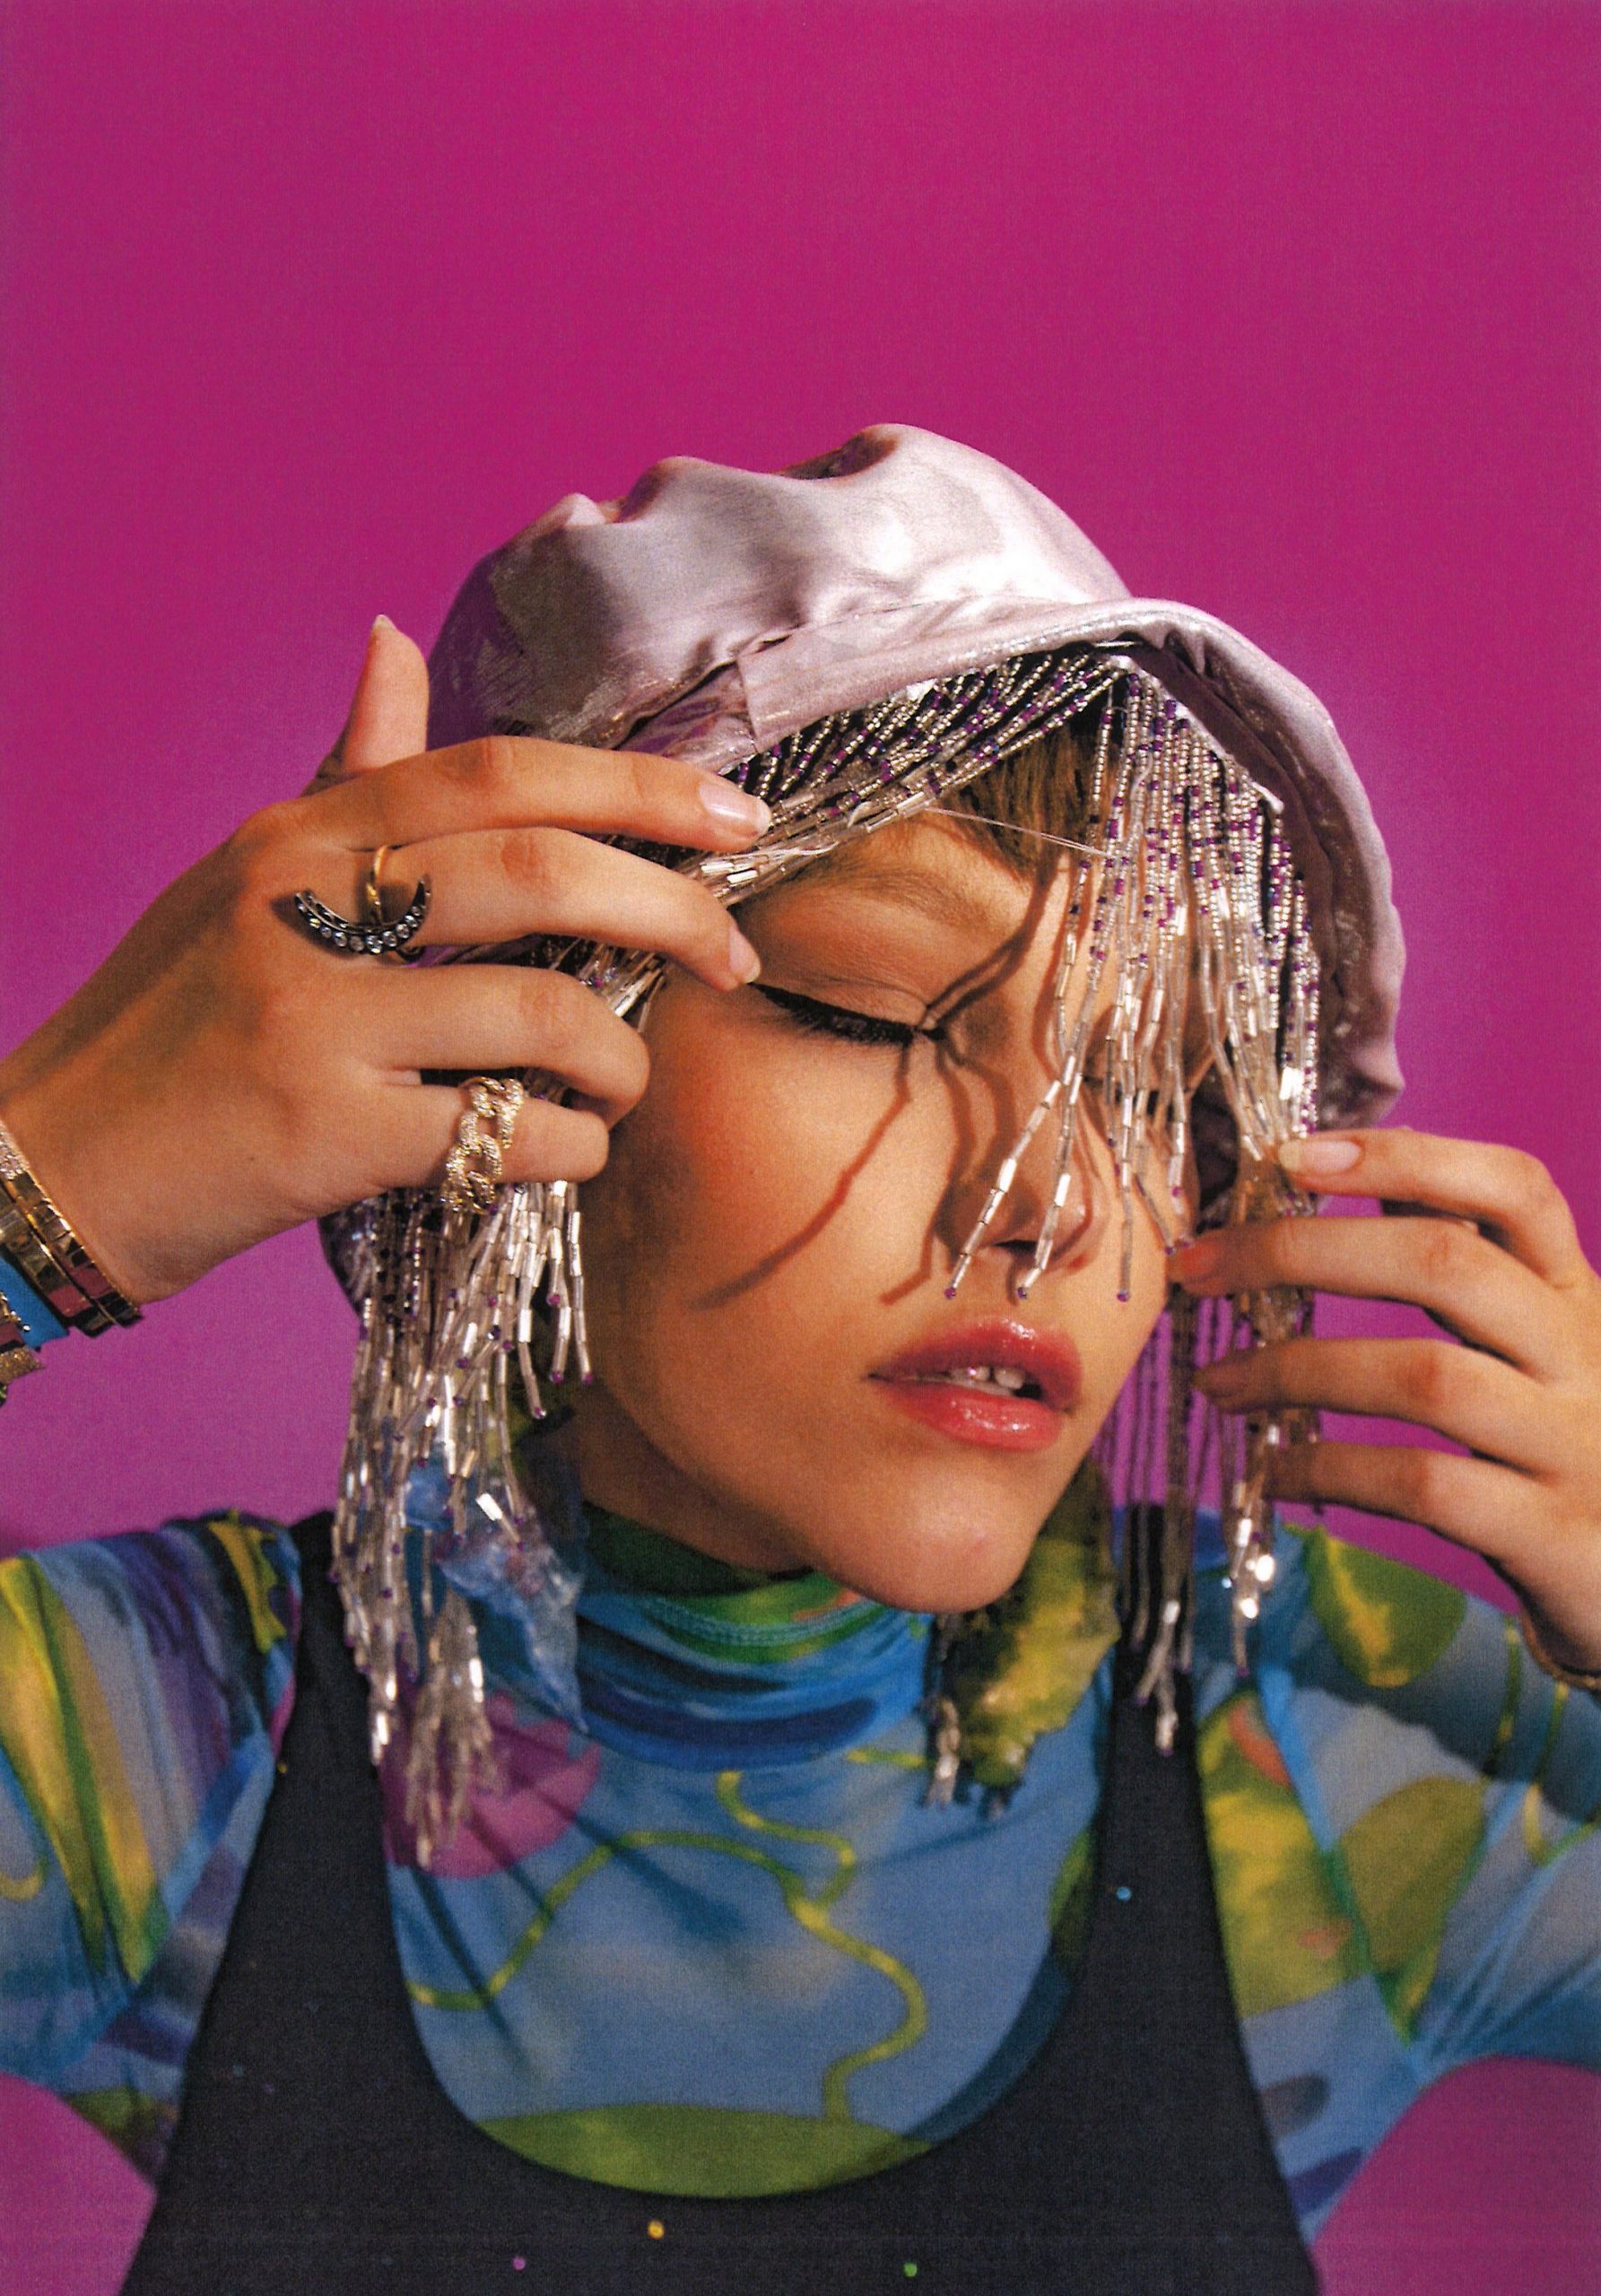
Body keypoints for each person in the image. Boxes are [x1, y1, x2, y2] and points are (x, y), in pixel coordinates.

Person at [0, 426, 1597, 2294]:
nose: (1047, 1201)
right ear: (507, 1054)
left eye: (1155, 1086)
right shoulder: (170, 1743)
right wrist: (38, 1195)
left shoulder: (1334, 1734)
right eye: (867, 1014)